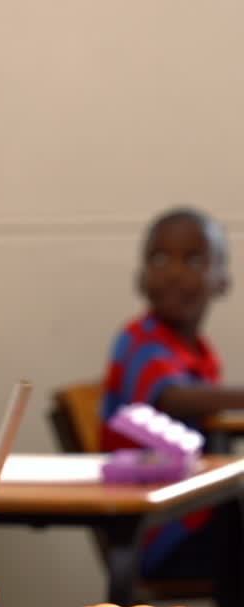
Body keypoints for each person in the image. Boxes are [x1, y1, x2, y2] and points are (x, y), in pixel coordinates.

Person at [100, 206, 234, 582]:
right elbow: (172, 396)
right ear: (140, 278)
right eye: (160, 259)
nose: (175, 272)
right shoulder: (140, 341)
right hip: (159, 528)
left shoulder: (199, 354)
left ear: (223, 280)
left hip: (198, 512)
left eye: (194, 259)